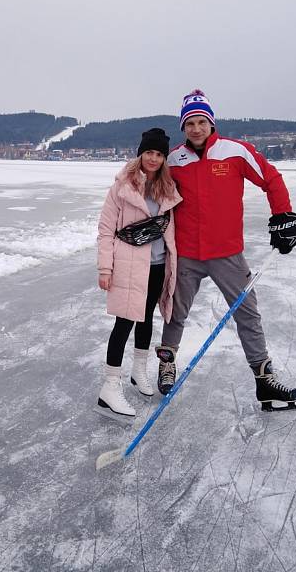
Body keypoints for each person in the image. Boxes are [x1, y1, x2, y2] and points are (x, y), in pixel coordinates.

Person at [156, 89, 296, 412]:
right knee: (174, 312)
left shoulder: (235, 152)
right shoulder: (174, 160)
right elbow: (153, 192)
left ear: (211, 123)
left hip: (226, 253)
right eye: (190, 123)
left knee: (248, 315)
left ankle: (265, 381)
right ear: (183, 128)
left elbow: (271, 178)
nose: (196, 128)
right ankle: (167, 361)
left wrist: (284, 216)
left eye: (201, 122)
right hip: (186, 254)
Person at [95, 128, 182, 422]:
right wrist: (105, 268)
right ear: (141, 153)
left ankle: (138, 371)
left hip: (157, 265)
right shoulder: (123, 186)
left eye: (159, 154)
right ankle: (109, 388)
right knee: (124, 323)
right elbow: (106, 230)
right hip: (129, 265)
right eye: (149, 153)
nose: (153, 159)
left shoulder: (168, 187)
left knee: (145, 320)